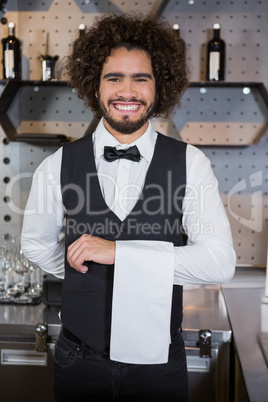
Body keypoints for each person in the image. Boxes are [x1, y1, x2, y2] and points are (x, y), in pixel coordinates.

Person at [21, 13, 236, 402]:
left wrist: (120, 255)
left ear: (160, 86)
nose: (127, 91)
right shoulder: (57, 164)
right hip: (78, 359)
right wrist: (82, 269)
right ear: (95, 85)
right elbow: (34, 244)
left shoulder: (191, 163)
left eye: (141, 78)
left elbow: (220, 262)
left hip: (158, 365)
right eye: (114, 77)